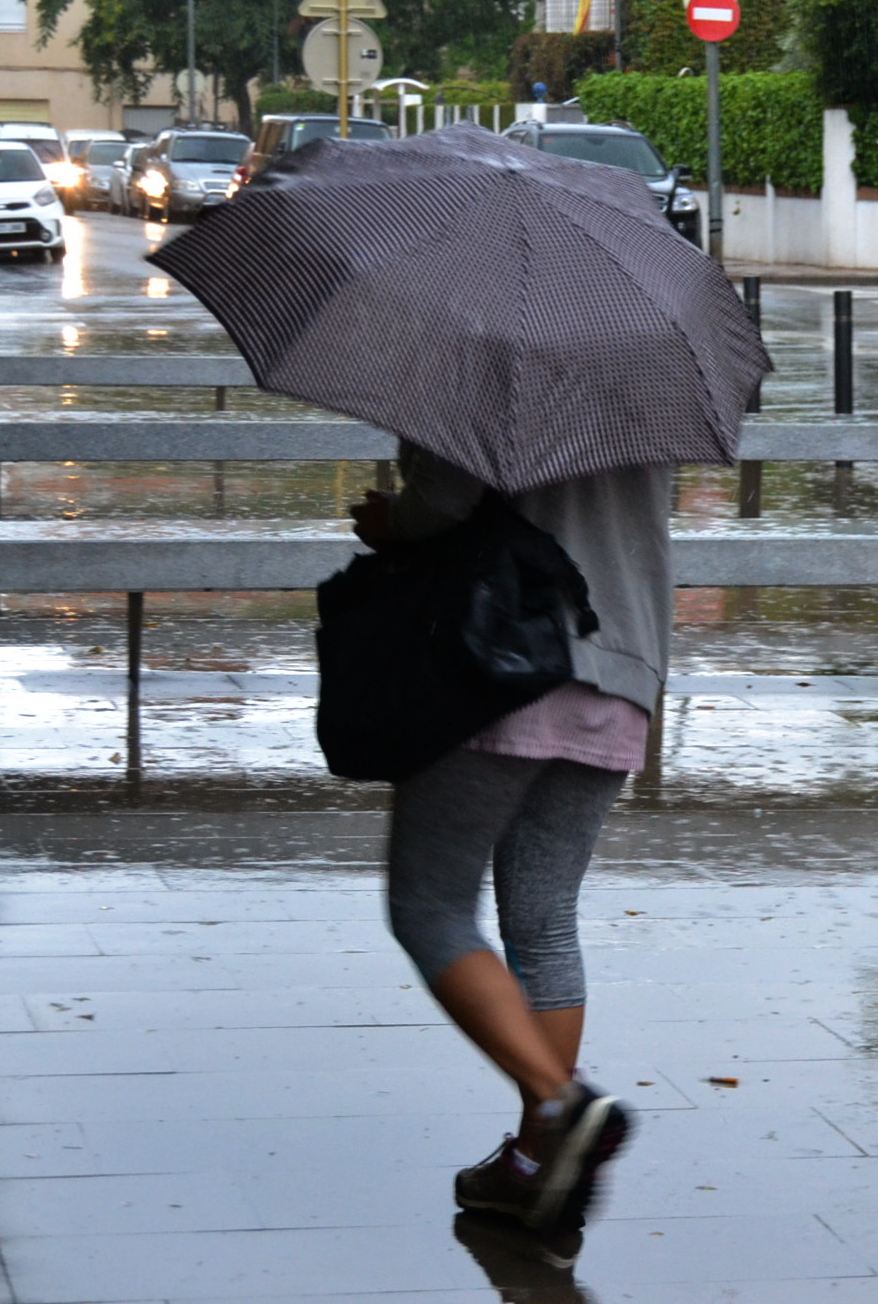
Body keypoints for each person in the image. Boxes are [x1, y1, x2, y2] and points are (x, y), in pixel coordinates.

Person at [349, 442, 672, 1265]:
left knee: (430, 907)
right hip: (624, 662)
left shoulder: (480, 346)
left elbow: (446, 499)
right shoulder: (647, 367)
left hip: (501, 656)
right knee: (543, 919)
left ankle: (559, 1106)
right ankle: (538, 1171)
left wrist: (394, 516)